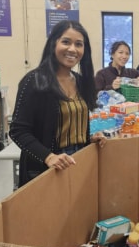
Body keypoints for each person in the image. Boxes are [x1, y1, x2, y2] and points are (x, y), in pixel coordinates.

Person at [10, 20, 106, 187]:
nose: (72, 49)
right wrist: (49, 156)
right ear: (53, 43)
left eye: (79, 44)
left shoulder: (81, 82)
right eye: (66, 42)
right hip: (47, 167)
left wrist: (88, 139)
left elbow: (70, 124)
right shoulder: (34, 81)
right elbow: (18, 131)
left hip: (78, 161)